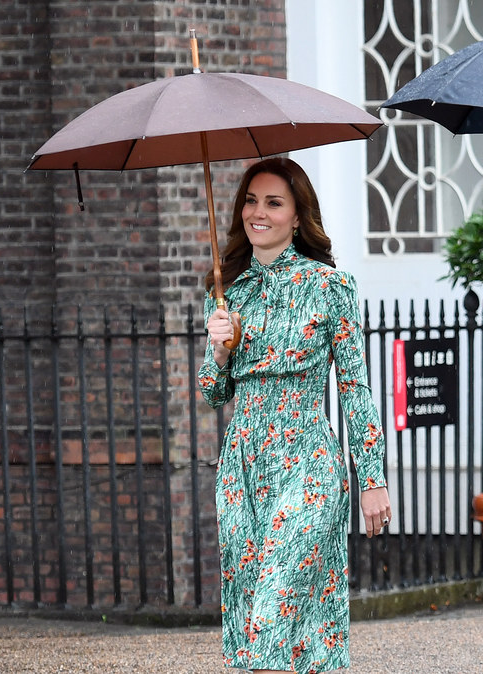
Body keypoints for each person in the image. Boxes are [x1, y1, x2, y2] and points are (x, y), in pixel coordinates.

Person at [198, 157, 391, 674]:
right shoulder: (226, 294)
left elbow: (355, 388)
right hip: (242, 467)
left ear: (298, 217)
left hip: (308, 463)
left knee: (273, 611)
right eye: (251, 200)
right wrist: (218, 353)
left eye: (273, 202)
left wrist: (372, 478)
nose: (257, 212)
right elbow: (212, 395)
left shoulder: (330, 287)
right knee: (259, 611)